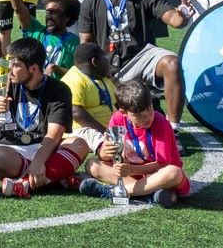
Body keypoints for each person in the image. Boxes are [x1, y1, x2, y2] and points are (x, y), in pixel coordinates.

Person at [75, 0, 190, 122]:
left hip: (141, 57)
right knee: (128, 120)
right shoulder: (90, 3)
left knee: (171, 63)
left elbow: (174, 19)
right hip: (107, 65)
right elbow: (86, 46)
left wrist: (182, 15)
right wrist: (98, 72)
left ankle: (173, 130)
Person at [0, 38, 87, 198]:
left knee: (80, 144)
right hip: (10, 148)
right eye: (10, 63)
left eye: (16, 65)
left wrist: (38, 162)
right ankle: (55, 177)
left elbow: (54, 135)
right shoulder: (4, 82)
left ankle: (23, 183)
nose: (10, 69)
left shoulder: (58, 89)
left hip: (44, 147)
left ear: (34, 68)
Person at [78, 77, 188, 206]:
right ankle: (148, 195)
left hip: (159, 177)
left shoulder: (160, 123)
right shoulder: (118, 119)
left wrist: (131, 170)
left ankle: (113, 192)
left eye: (149, 109)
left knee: (173, 172)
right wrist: (105, 152)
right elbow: (106, 157)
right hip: (133, 178)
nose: (147, 117)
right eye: (139, 115)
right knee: (93, 165)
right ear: (124, 112)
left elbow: (162, 165)